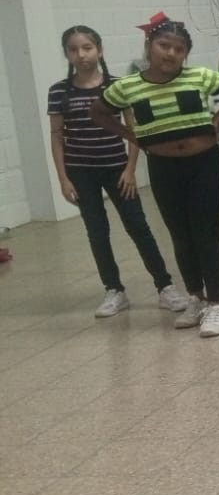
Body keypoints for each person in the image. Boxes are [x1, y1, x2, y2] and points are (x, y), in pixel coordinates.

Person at [90, 16, 219, 338]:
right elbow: (98, 112)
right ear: (149, 46)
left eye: (179, 49)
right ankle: (196, 298)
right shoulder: (127, 86)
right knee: (180, 236)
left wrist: (218, 121)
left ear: (185, 54)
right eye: (164, 46)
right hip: (163, 168)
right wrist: (131, 135)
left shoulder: (199, 76)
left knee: (206, 234)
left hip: (203, 165)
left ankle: (216, 305)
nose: (171, 53)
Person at [49, 26, 187, 319]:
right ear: (66, 54)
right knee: (97, 231)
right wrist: (63, 178)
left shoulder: (117, 86)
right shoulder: (59, 91)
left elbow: (133, 129)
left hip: (117, 168)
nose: (81, 55)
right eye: (73, 49)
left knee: (138, 227)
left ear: (99, 50)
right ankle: (114, 289)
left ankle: (165, 286)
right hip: (80, 172)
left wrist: (130, 169)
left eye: (87, 47)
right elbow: (57, 136)